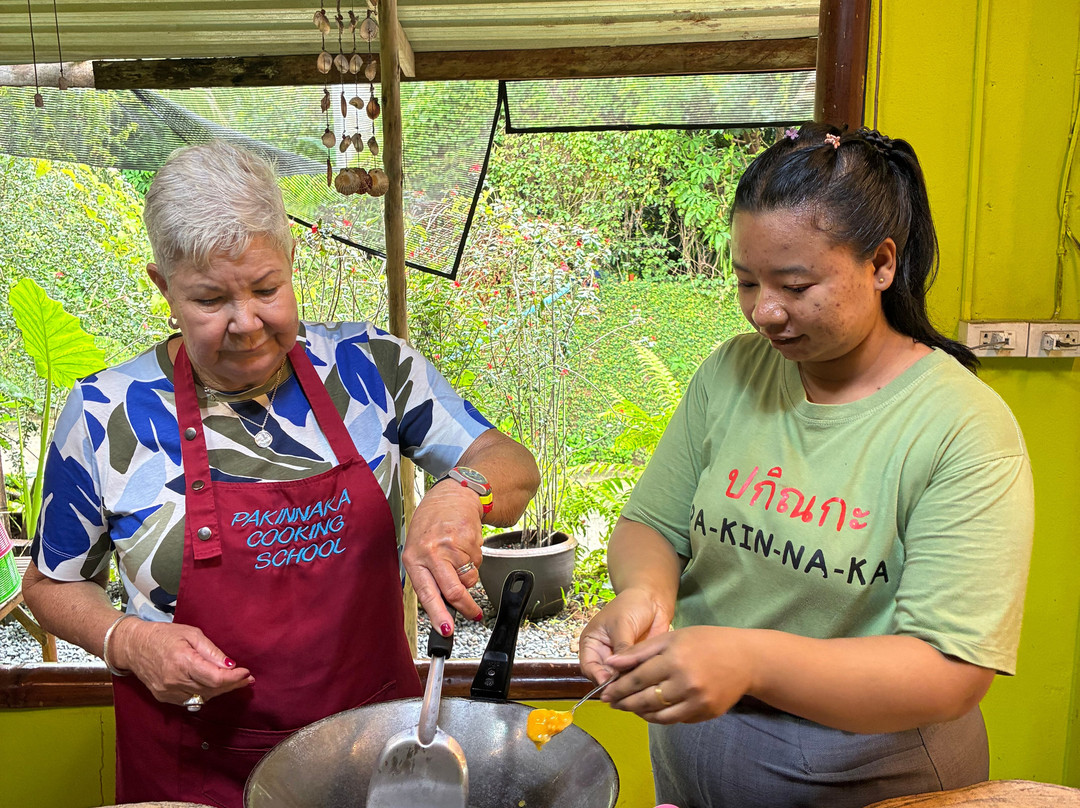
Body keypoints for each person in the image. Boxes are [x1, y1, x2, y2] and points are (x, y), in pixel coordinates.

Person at [22, 139, 539, 808]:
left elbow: (511, 465)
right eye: (210, 299)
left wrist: (462, 489)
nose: (246, 323)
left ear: (292, 258)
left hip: (372, 761)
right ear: (163, 287)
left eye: (266, 289)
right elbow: (51, 584)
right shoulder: (105, 414)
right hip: (196, 771)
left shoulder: (371, 369)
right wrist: (126, 639)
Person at [578, 123, 1034, 808]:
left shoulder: (962, 427)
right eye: (746, 281)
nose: (764, 312)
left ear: (881, 264)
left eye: (795, 284)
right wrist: (646, 595)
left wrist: (747, 660)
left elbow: (950, 670)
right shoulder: (731, 374)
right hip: (697, 746)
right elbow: (652, 525)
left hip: (870, 767)